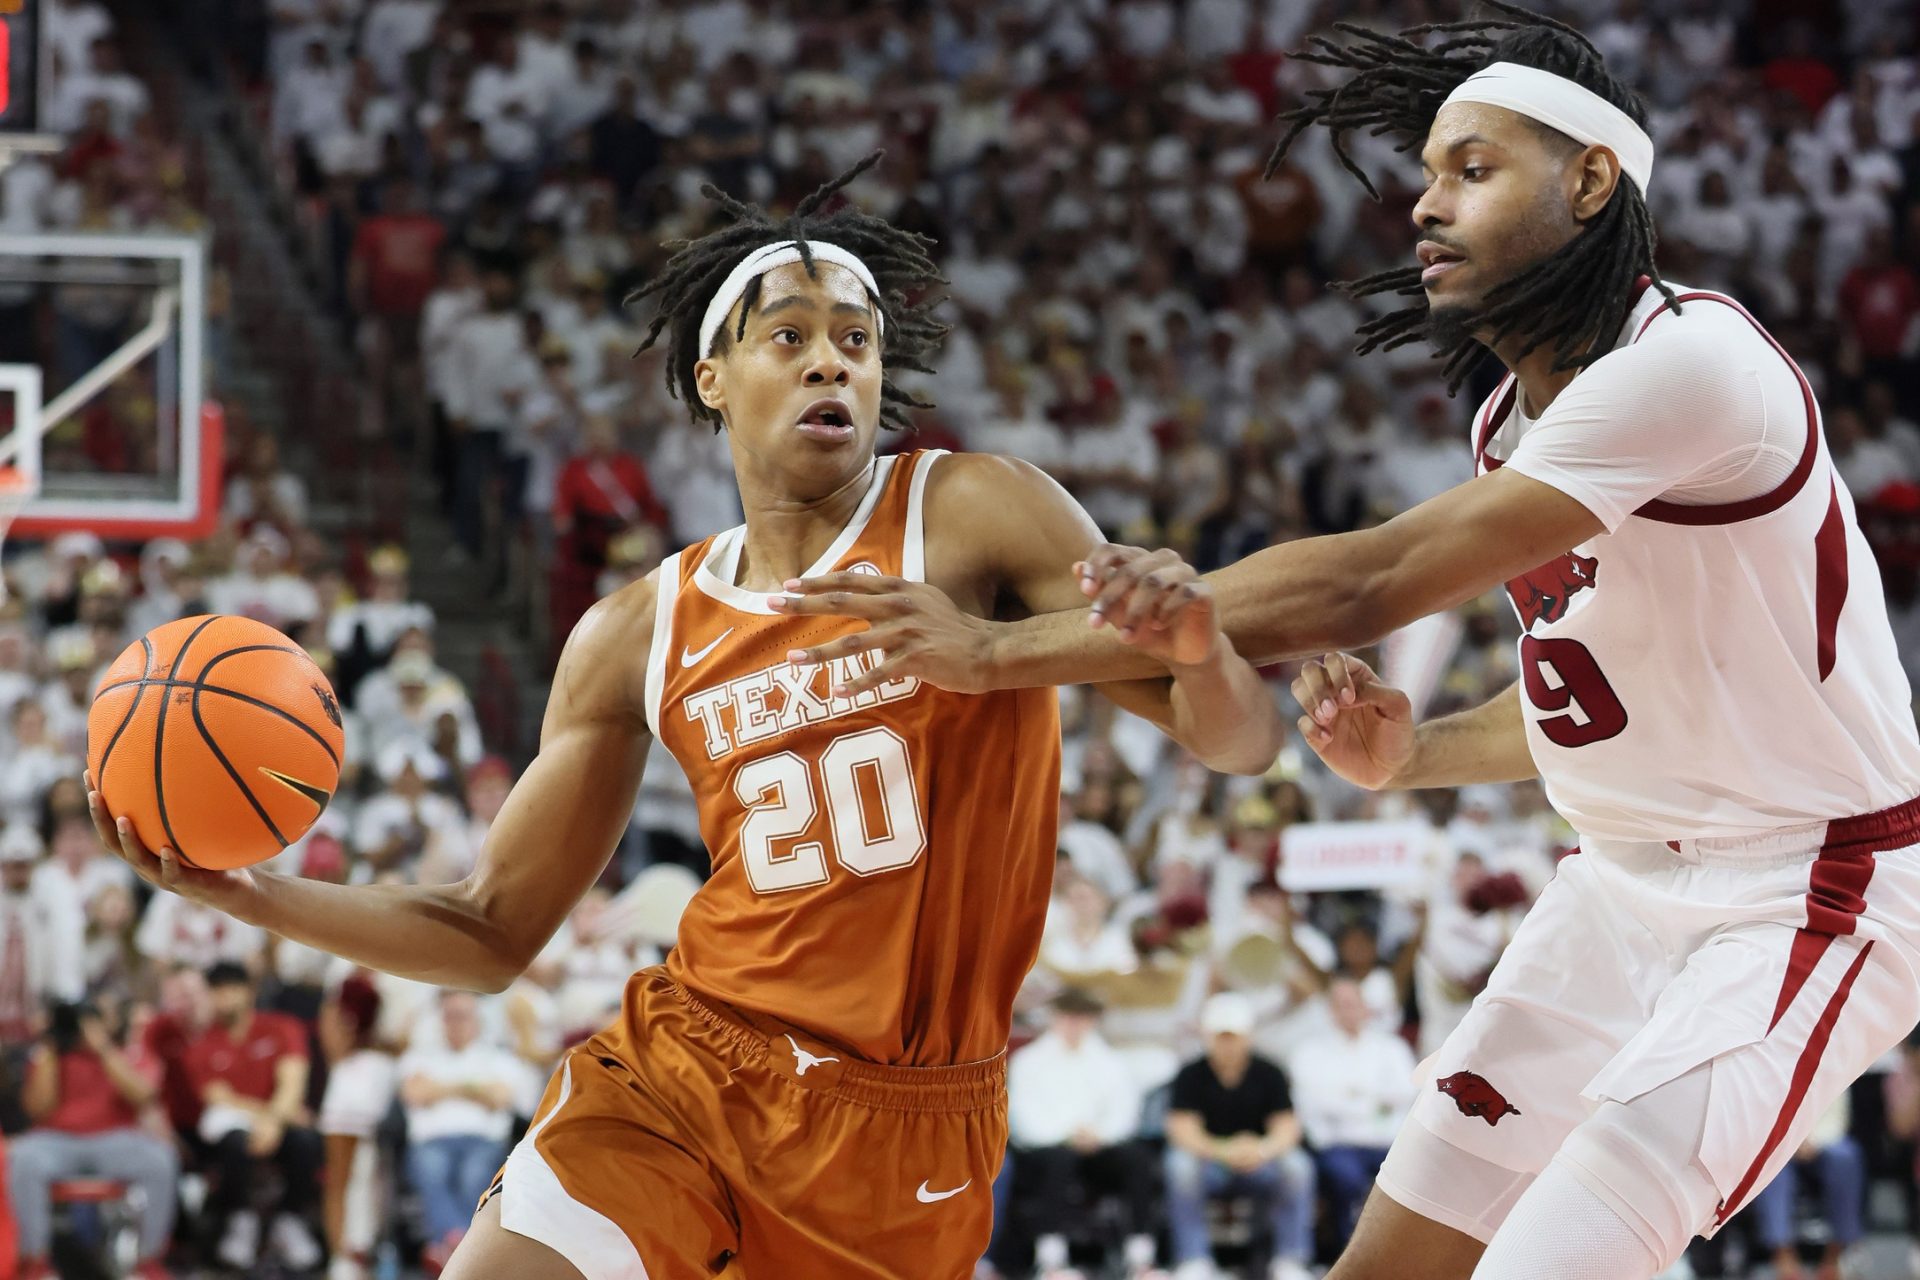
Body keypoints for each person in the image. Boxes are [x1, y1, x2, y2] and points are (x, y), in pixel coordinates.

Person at [778, 11, 1920, 1280]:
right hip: (1615, 883)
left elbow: (1370, 576)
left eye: (1471, 170)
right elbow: (1599, 693)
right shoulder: (1511, 420)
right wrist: (1415, 753)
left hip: (1804, 889)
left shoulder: (1692, 363)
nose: (1424, 206)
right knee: (1383, 1265)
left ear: (1592, 180)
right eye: (1428, 174)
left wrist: (998, 652)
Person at [87, 155, 1284, 1280]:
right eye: (793, 337)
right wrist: (251, 896)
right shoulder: (635, 629)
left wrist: (1201, 646)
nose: (835, 365)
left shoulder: (971, 511)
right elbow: (489, 925)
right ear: (714, 379)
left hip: (908, 1123)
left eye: (857, 343)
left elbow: (1239, 740)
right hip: (689, 1075)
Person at [10, 1000, 178, 1280]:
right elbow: (37, 1109)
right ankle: (35, 1260)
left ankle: (149, 1260)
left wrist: (101, 1048)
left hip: (114, 1140)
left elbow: (144, 1097)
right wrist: (52, 1049)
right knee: (23, 1158)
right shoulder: (47, 1056)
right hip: (56, 1142)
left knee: (160, 1159)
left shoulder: (122, 1052)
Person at [1003, 988, 1159, 1280]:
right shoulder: (1029, 1061)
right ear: (1054, 1018)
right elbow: (1022, 1115)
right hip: (1047, 1149)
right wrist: (1066, 1134)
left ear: (1092, 1021)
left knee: (1137, 1158)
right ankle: (1051, 1260)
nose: (1074, 1024)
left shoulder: (1109, 1061)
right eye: (1067, 1016)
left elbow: (1124, 1109)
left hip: (1098, 1147)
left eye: (1082, 1017)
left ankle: (1140, 1257)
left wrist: (1099, 1134)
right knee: (1058, 1161)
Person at [1162, 993, 1315, 1280]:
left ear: (1248, 1037)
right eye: (1221, 1037)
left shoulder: (1270, 1073)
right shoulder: (1191, 1075)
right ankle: (1194, 1259)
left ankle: (1290, 1260)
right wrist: (1223, 1150)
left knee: (1297, 1166)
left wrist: (1262, 1150)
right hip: (1211, 1163)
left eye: (1234, 1037)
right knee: (1179, 1165)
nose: (1228, 1045)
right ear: (1208, 1037)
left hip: (1260, 1162)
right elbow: (1182, 1129)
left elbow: (1286, 1127)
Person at [185, 961, 323, 1272]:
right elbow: (218, 1098)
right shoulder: (201, 1045)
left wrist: (274, 1121)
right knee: (234, 1142)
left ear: (250, 991)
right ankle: (239, 1220)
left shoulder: (282, 1027)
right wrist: (270, 1116)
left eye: (233, 988)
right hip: (238, 1124)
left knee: (306, 1142)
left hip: (278, 1119)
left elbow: (293, 1083)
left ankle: (289, 1219)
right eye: (218, 990)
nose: (226, 998)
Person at [399, 990, 527, 1271]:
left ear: (477, 1020)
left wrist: (442, 1088)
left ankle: (445, 1245)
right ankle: (461, 1245)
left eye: (462, 1016)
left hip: (482, 1142)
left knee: (474, 1176)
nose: (455, 1023)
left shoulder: (497, 1058)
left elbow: (500, 1097)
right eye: (450, 1016)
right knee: (431, 1169)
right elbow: (415, 1093)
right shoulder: (421, 1056)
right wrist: (473, 1089)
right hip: (431, 1142)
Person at [1285, 978, 1418, 1242]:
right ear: (1330, 1010)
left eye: (1354, 1004)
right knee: (1345, 1178)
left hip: (1389, 1144)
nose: (1349, 1011)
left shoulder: (1392, 1048)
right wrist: (1373, 1100)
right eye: (1341, 1005)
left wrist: (1350, 1097)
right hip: (1338, 1144)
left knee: (1415, 1177)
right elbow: (1313, 1103)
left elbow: (1408, 1094)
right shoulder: (1309, 1052)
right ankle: (1346, 1251)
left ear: (1366, 1007)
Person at [1744, 1095, 1864, 1280]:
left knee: (1846, 1157)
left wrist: (1814, 1141)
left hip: (1826, 1141)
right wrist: (1793, 1142)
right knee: (1770, 1164)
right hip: (1781, 1142)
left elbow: (1838, 1117)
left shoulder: (1830, 1065)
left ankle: (1835, 1255)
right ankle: (1784, 1256)